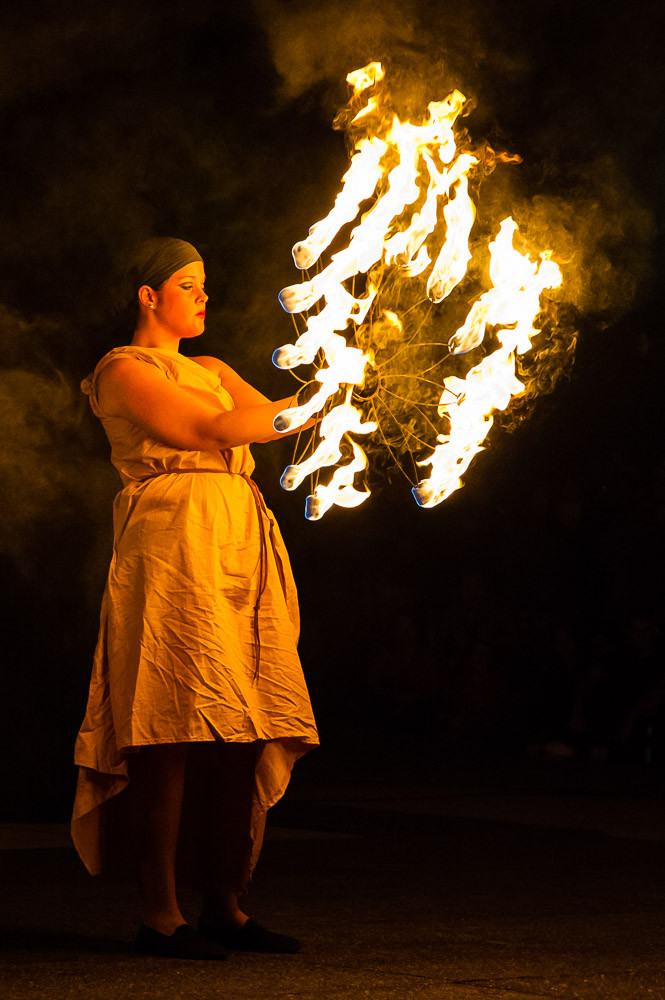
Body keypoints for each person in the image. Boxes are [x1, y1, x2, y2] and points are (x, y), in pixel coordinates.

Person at [71, 237, 319, 960]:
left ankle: (226, 905)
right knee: (169, 721)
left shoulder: (210, 367)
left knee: (245, 717)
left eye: (205, 283)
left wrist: (334, 394)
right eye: (188, 284)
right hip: (173, 541)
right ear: (148, 296)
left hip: (239, 541)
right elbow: (207, 429)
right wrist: (308, 405)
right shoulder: (121, 369)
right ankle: (160, 912)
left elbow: (271, 419)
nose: (204, 296)